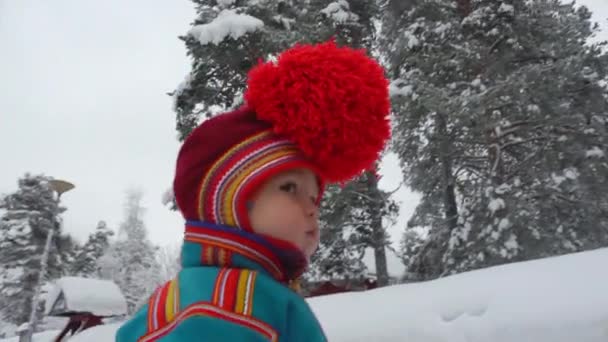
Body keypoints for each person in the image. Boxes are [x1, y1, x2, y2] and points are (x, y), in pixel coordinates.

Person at [115, 40, 390, 342]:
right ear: (230, 204)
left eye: (314, 197)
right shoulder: (229, 304)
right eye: (290, 188)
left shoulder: (204, 293)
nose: (312, 208)